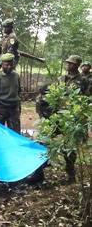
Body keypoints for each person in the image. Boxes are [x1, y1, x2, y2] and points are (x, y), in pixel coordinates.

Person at [58, 55, 89, 183]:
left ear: (76, 65)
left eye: (71, 63)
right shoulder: (62, 78)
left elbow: (87, 98)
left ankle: (71, 175)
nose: (68, 65)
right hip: (62, 115)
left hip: (75, 116)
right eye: (68, 63)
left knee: (71, 146)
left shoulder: (83, 80)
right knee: (63, 144)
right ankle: (69, 172)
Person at [0, 53, 21, 133]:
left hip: (13, 109)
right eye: (6, 65)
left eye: (11, 64)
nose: (9, 67)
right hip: (0, 109)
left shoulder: (16, 75)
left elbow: (18, 91)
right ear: (2, 64)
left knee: (15, 133)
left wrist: (18, 107)